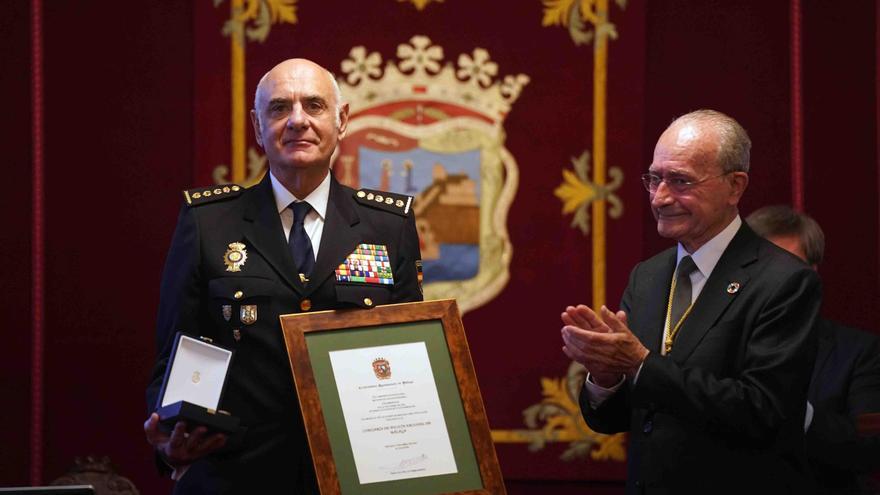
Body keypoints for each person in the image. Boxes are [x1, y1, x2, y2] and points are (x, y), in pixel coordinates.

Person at [143, 58, 423, 494]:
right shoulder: (209, 223)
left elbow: (411, 359)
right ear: (258, 127)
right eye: (279, 108)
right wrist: (169, 437)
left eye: (313, 105)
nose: (297, 121)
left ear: (341, 120)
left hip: (355, 479)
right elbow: (174, 353)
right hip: (234, 478)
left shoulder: (388, 225)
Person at [560, 109, 822, 493]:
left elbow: (764, 412)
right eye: (654, 179)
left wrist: (642, 364)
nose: (660, 197)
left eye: (680, 181)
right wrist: (605, 376)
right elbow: (620, 419)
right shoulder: (647, 276)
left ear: (735, 186)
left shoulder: (784, 281)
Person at [747, 205, 880, 494]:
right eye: (760, 267)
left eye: (787, 268)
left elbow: (869, 451)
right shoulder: (711, 342)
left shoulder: (858, 352)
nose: (772, 282)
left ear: (812, 275)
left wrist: (795, 411)